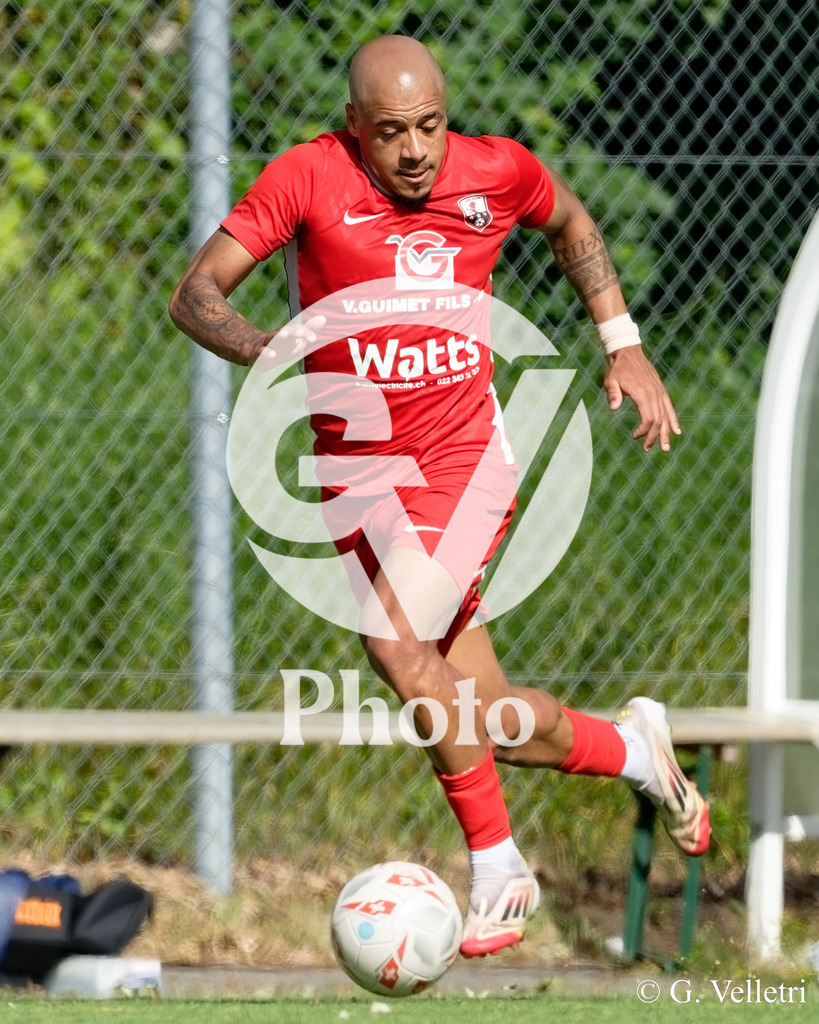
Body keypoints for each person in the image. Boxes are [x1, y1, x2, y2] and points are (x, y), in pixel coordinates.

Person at [169, 35, 709, 959]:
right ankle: (632, 749)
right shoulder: (306, 178)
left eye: (428, 126)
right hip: (357, 484)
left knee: (392, 643)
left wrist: (621, 341)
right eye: (390, 133)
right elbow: (195, 297)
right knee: (485, 718)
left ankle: (498, 866)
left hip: (464, 466)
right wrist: (276, 356)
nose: (415, 150)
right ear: (354, 130)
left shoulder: (495, 171)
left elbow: (571, 220)